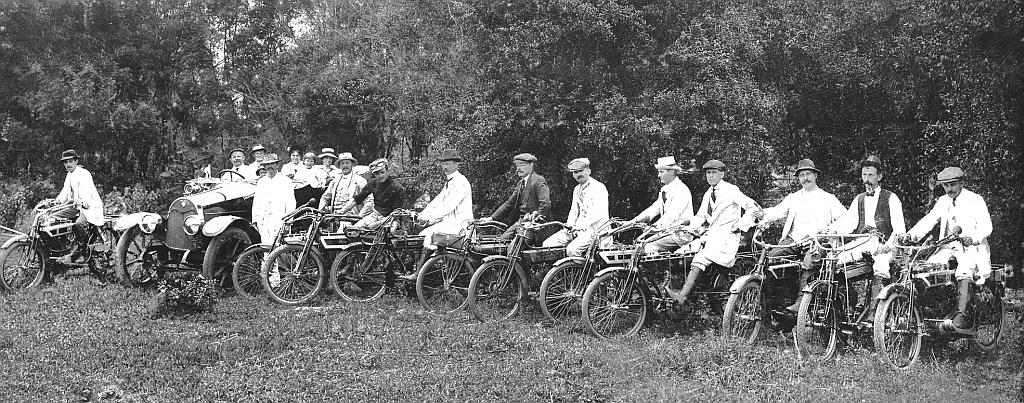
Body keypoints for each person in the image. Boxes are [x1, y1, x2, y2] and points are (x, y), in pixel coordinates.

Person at [899, 167, 991, 329]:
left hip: (972, 249)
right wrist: (910, 236)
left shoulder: (975, 200)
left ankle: (961, 316)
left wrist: (973, 238)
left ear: (962, 183)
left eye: (953, 184)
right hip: (948, 247)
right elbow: (929, 221)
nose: (949, 189)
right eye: (946, 185)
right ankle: (933, 310)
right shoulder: (943, 201)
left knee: (965, 270)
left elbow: (987, 226)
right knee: (927, 269)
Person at [753, 158, 847, 312]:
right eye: (802, 175)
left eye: (808, 174)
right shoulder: (794, 197)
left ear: (816, 175)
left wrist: (828, 231)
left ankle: (800, 305)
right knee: (770, 258)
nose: (805, 178)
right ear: (798, 178)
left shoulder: (828, 198)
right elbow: (778, 211)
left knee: (810, 261)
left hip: (816, 242)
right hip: (793, 241)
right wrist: (763, 213)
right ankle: (774, 307)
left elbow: (845, 218)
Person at [665, 159, 761, 305]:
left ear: (722, 174)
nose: (710, 176)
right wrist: (686, 225)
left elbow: (752, 207)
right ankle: (691, 293)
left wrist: (740, 226)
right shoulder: (709, 193)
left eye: (714, 173)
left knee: (700, 258)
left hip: (726, 240)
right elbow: (701, 217)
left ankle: (682, 297)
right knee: (680, 254)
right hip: (711, 237)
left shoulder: (731, 190)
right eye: (708, 173)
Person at [826, 156, 907, 314]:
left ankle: (874, 313)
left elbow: (899, 229)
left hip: (886, 244)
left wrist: (888, 246)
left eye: (870, 175)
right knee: (833, 259)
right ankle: (842, 309)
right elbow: (848, 222)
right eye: (864, 175)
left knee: (881, 265)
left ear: (880, 176)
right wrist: (831, 231)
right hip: (865, 243)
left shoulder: (891, 198)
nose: (867, 180)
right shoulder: (859, 199)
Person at [395, 149, 475, 280]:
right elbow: (436, 202)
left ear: (456, 164)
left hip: (460, 226)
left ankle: (419, 275)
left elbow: (448, 206)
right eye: (443, 164)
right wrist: (422, 215)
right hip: (450, 224)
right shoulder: (449, 182)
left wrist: (428, 219)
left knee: (430, 236)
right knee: (422, 235)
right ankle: (428, 272)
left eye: (448, 164)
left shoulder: (461, 182)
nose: (445, 167)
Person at [626, 156, 694, 255]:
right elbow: (653, 210)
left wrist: (654, 228)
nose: (658, 175)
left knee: (649, 246)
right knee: (640, 245)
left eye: (661, 172)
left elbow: (672, 215)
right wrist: (632, 222)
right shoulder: (664, 190)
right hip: (668, 232)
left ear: (671, 172)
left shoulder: (681, 190)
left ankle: (661, 270)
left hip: (680, 234)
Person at [541, 158, 609, 257]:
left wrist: (580, 227)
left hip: (595, 230)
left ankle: (581, 271)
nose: (578, 175)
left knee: (572, 250)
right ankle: (559, 270)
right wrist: (569, 226)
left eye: (580, 171)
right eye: (575, 172)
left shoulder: (598, 187)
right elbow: (574, 211)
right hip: (577, 229)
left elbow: (598, 214)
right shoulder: (577, 189)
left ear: (588, 171)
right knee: (548, 244)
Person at [486, 153, 551, 243]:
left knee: (513, 249)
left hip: (536, 226)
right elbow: (509, 203)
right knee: (501, 243)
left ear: (531, 165)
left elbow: (545, 203)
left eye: (522, 165)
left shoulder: (538, 181)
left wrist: (538, 216)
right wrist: (491, 218)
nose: (518, 169)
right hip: (521, 223)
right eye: (517, 165)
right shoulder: (520, 184)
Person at [54, 150, 105, 264]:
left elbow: (87, 192)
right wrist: (58, 201)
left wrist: (84, 203)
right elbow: (65, 192)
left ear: (76, 161)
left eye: (70, 161)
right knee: (54, 219)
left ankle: (82, 252)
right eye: (65, 162)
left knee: (79, 223)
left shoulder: (84, 174)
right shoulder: (69, 175)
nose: (68, 165)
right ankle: (62, 249)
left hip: (90, 207)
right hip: (76, 206)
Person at [337, 158, 405, 228]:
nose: (380, 176)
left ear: (387, 171)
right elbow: (357, 199)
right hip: (375, 215)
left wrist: (378, 224)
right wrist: (341, 212)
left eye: (382, 172)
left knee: (389, 231)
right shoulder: (373, 183)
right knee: (355, 230)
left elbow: (397, 212)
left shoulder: (397, 187)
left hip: (391, 219)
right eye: (377, 173)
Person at [252, 154, 296, 244]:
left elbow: (291, 202)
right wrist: (255, 220)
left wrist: (288, 221)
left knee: (279, 247)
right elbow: (256, 202)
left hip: (279, 219)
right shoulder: (261, 182)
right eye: (267, 165)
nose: (270, 167)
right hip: (264, 220)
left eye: (272, 164)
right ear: (264, 166)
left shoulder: (285, 181)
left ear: (277, 165)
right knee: (265, 245)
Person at [320, 152, 373, 217]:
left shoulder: (360, 181)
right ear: (339, 166)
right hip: (334, 216)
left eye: (347, 163)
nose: (345, 166)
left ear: (352, 164)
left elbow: (369, 201)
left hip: (351, 217)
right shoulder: (335, 180)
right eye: (342, 163)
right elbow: (325, 197)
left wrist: (360, 217)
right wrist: (320, 213)